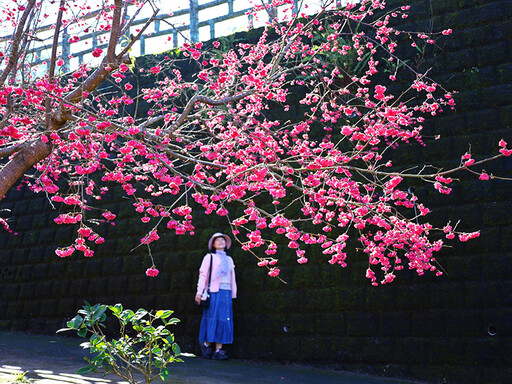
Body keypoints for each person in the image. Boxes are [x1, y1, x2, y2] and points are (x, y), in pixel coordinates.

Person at [195, 232, 237, 360]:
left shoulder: (229, 259)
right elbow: (203, 275)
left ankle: (219, 350)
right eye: (217, 240)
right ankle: (207, 344)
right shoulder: (209, 257)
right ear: (213, 244)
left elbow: (232, 277)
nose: (220, 242)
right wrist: (199, 292)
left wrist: (233, 293)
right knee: (213, 317)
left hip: (226, 292)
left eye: (223, 240)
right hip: (213, 291)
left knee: (225, 319)